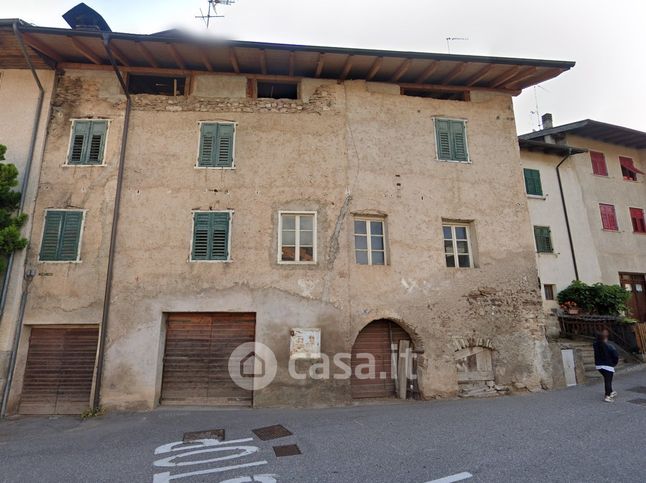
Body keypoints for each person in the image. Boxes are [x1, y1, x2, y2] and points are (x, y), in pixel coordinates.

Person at [593, 329, 619, 402]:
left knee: (606, 379)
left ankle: (610, 391)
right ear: (604, 338)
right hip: (607, 365)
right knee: (608, 381)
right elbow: (615, 355)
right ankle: (607, 396)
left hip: (599, 365)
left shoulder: (595, 345)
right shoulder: (608, 346)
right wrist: (614, 363)